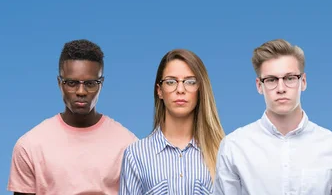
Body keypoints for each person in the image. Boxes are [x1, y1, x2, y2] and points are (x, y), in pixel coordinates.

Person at [214, 39, 332, 195]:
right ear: (259, 86)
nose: (281, 88)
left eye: (289, 78)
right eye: (271, 80)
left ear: (303, 82)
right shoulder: (234, 147)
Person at [7, 39, 138, 195]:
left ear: (101, 84)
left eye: (90, 83)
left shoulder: (129, 146)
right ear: (60, 83)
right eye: (71, 83)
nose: (81, 91)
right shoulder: (29, 146)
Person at [119, 49, 226, 194]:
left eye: (190, 82)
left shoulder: (224, 151)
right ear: (160, 90)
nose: (180, 89)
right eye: (171, 82)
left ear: (200, 89)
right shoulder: (136, 155)